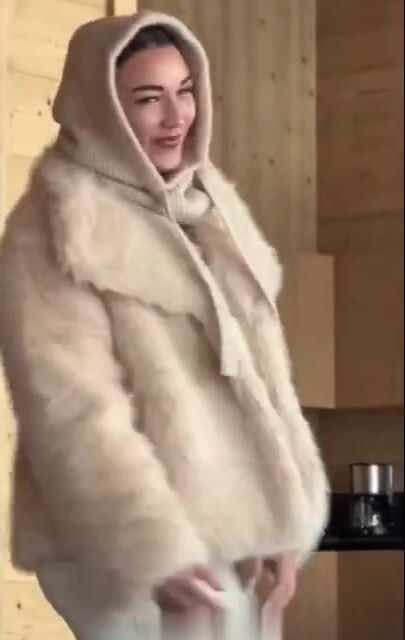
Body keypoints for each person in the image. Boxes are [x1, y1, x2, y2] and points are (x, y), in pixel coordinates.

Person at [0, 11, 329, 640]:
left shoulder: (208, 206)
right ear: (100, 107)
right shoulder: (59, 223)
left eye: (186, 91)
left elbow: (265, 380)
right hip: (122, 545)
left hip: (225, 537)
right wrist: (151, 546)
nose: (177, 116)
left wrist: (281, 520)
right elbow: (71, 408)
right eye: (149, 99)